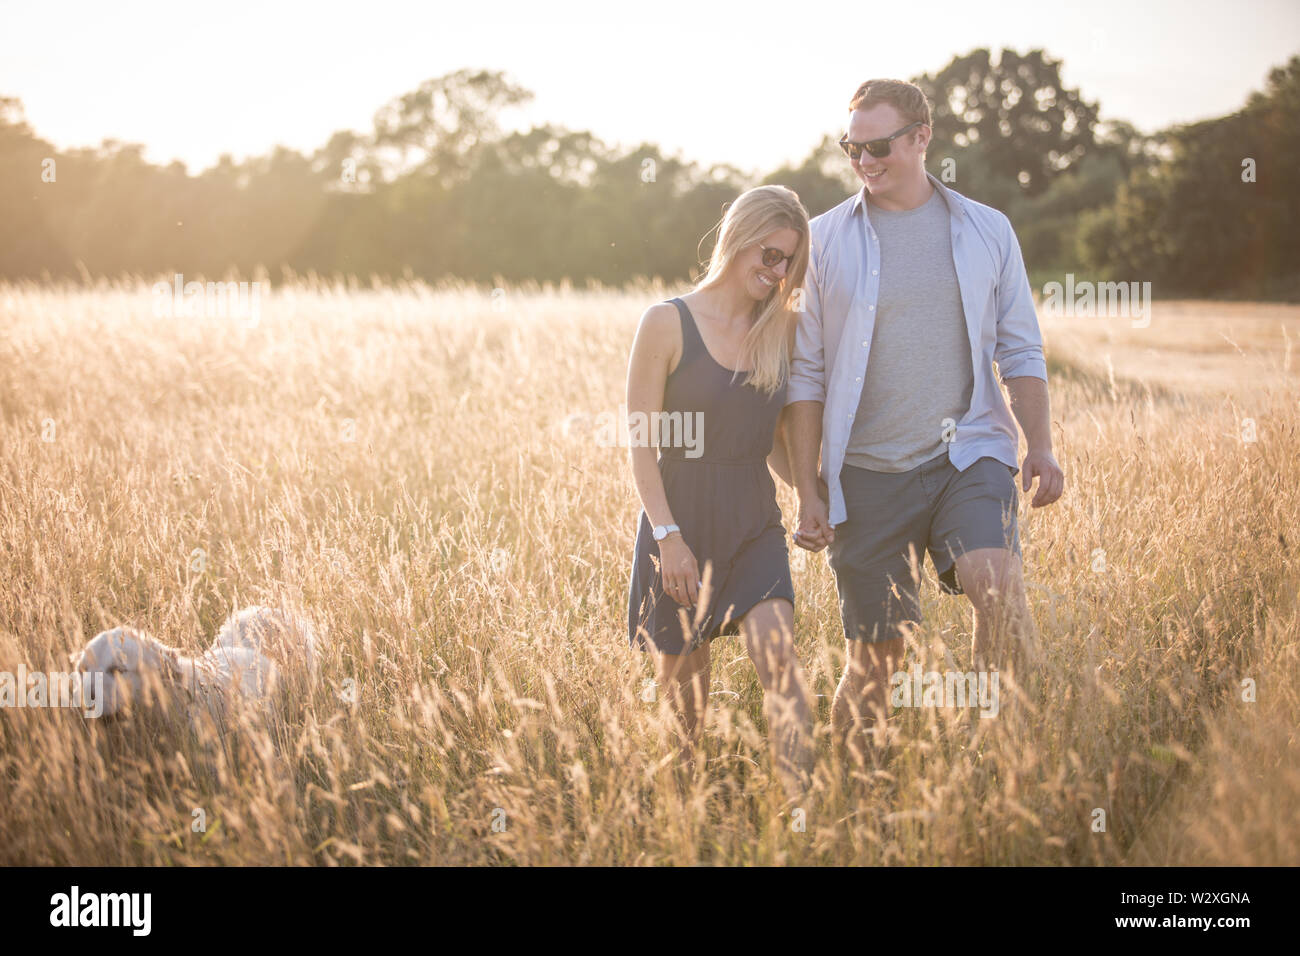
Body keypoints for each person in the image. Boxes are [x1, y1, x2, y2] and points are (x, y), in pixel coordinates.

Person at [786, 79, 1065, 762]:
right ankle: (852, 796)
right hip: (866, 473)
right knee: (880, 658)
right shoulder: (823, 241)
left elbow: (1019, 345)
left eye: (878, 146)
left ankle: (998, 760)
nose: (863, 161)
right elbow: (806, 376)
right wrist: (808, 488)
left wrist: (1042, 445)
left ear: (921, 137)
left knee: (997, 589)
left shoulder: (986, 230)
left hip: (966, 456)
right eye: (851, 147)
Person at [626, 185, 815, 798]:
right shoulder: (666, 322)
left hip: (753, 520)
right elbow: (641, 446)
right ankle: (685, 821)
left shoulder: (783, 331)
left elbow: (773, 444)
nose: (776, 270)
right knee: (687, 711)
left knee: (779, 659)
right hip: (677, 524)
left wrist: (813, 500)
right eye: (768, 253)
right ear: (736, 240)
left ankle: (801, 812)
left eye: (788, 260)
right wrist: (668, 537)